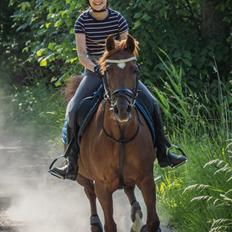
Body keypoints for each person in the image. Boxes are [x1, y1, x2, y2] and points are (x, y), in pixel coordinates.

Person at [49, 0, 187, 180]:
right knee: (74, 108)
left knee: (153, 103)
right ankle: (71, 161)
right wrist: (97, 68)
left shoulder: (118, 19)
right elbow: (82, 55)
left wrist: (116, 66)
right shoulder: (82, 21)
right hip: (94, 72)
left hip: (120, 73)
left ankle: (164, 152)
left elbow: (126, 49)